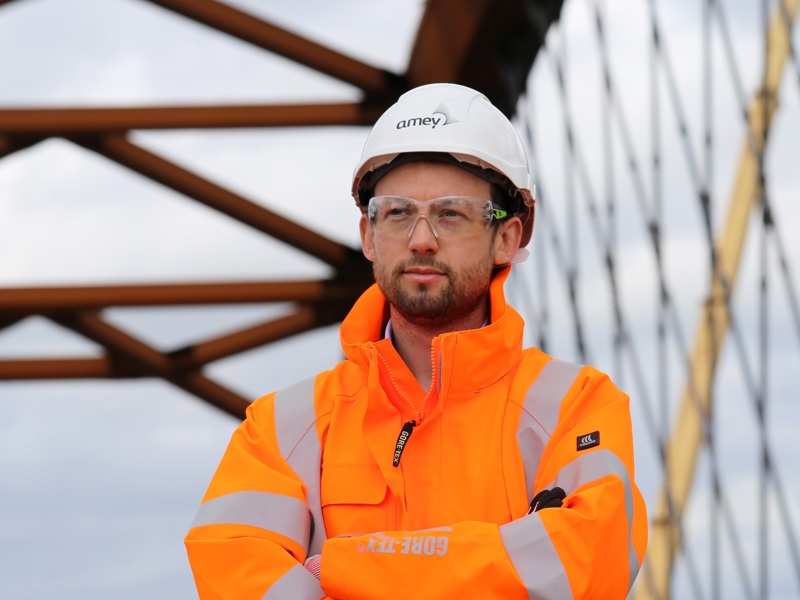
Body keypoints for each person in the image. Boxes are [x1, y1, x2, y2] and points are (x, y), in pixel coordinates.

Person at [185, 83, 648, 599]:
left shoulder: (575, 406)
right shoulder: (279, 429)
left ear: (507, 238)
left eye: (451, 213)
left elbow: (593, 562)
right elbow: (230, 567)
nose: (421, 238)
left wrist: (342, 567)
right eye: (398, 212)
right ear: (368, 235)